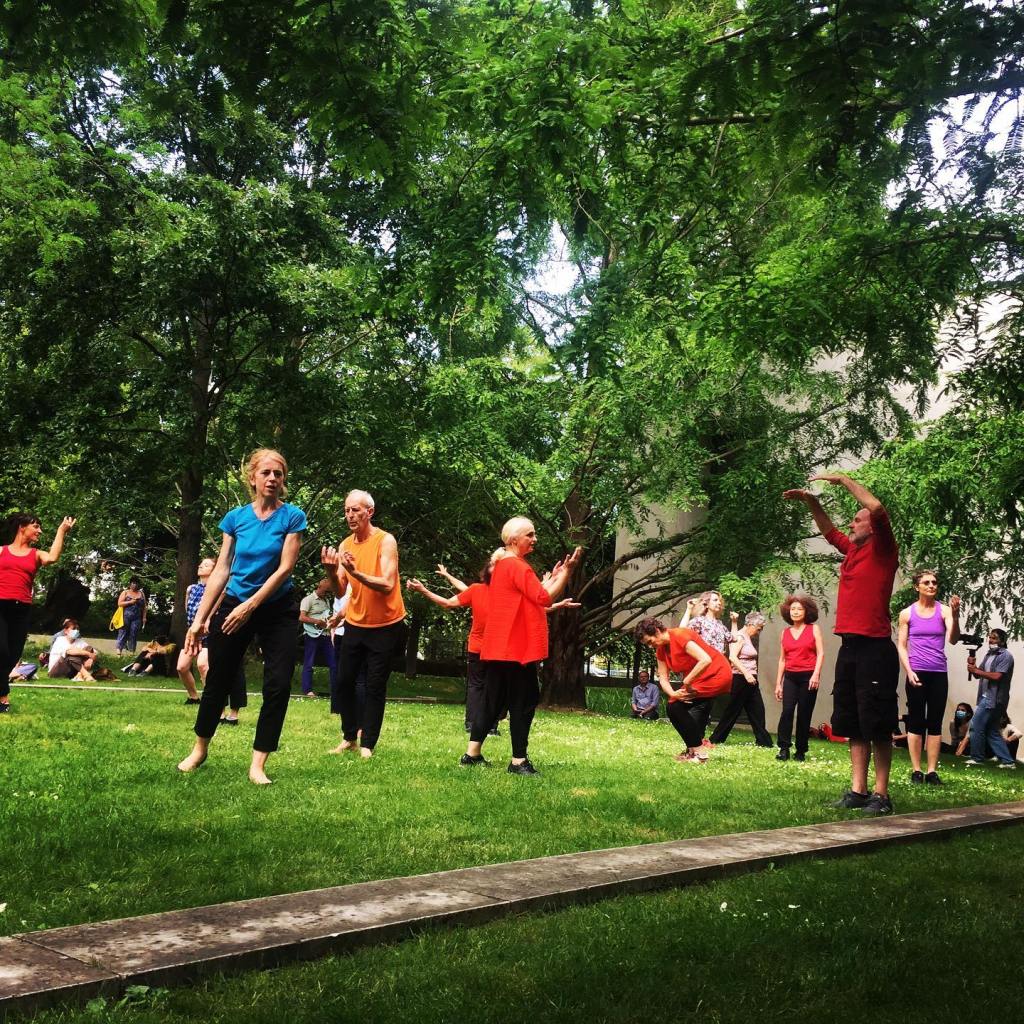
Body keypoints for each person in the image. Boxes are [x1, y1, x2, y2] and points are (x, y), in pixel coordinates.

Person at [177, 448, 306, 785]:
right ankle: (200, 748)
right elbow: (222, 569)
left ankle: (258, 764)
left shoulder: (292, 517)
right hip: (234, 602)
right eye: (266, 473)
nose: (272, 479)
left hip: (277, 608)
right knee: (218, 678)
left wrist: (251, 606)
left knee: (278, 684)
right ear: (252, 478)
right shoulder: (235, 518)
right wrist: (199, 620)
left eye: (278, 474)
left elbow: (285, 568)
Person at [784, 473, 899, 815]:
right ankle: (858, 791)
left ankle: (881, 795)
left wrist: (844, 480)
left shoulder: (884, 550)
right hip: (849, 648)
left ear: (873, 528)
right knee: (852, 721)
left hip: (875, 648)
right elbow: (829, 532)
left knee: (878, 723)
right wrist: (812, 502)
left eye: (857, 520)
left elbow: (876, 507)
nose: (851, 523)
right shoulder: (852, 551)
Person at [460, 517, 581, 774]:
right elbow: (544, 597)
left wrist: (554, 577)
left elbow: (530, 596)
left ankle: (472, 754)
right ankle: (518, 761)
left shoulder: (503, 565)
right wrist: (567, 573)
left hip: (499, 646)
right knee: (524, 701)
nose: (535, 539)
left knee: (492, 700)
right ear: (514, 540)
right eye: (530, 534)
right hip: (516, 648)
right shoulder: (517, 566)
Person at [321, 490, 407, 760]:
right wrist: (330, 570)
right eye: (347, 510)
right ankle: (349, 738)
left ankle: (367, 743)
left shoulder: (385, 541)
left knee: (374, 685)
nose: (350, 515)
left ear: (370, 512)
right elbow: (340, 590)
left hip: (386, 624)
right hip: (356, 622)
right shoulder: (346, 544)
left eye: (355, 510)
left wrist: (355, 572)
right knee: (344, 681)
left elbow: (387, 584)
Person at [407, 552, 501, 736]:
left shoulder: (476, 590)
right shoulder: (503, 594)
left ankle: (472, 724)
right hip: (495, 649)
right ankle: (490, 726)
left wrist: (425, 589)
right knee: (493, 686)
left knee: (476, 686)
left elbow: (450, 601)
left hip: (480, 648)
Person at [0, 513, 75, 712]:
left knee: (13, 655)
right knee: (2, 650)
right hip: (0, 606)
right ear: (22, 527)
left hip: (22, 609)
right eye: (36, 526)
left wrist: (61, 530)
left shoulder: (36, 554)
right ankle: (2, 695)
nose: (39, 531)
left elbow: (53, 557)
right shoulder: (1, 551)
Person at [634, 617, 733, 763]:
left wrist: (687, 681)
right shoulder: (660, 651)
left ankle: (699, 753)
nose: (650, 646)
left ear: (656, 631)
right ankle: (693, 750)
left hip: (717, 673)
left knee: (676, 706)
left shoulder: (680, 635)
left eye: (649, 641)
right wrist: (673, 693)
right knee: (674, 706)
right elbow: (663, 677)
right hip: (698, 679)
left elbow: (705, 659)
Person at [896, 569, 961, 785]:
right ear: (917, 587)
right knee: (916, 721)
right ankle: (916, 770)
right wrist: (909, 671)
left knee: (934, 722)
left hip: (938, 673)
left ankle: (932, 771)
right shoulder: (907, 613)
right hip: (916, 672)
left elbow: (953, 639)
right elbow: (902, 646)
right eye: (926, 582)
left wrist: (956, 616)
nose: (932, 585)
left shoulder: (945, 611)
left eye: (934, 582)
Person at [774, 595, 826, 762]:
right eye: (793, 609)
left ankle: (801, 750)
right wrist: (778, 684)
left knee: (804, 714)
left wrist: (816, 674)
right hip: (790, 677)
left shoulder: (814, 629)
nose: (795, 612)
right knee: (787, 712)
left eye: (799, 609)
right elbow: (782, 660)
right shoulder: (785, 633)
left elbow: (821, 654)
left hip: (808, 677)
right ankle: (783, 748)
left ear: (806, 612)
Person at [709, 611, 773, 746]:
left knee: (757, 710)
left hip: (751, 679)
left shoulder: (746, 636)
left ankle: (764, 741)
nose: (759, 632)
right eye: (759, 628)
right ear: (751, 624)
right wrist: (747, 674)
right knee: (733, 711)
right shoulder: (740, 637)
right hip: (741, 678)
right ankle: (715, 739)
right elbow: (732, 657)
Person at [966, 628, 1016, 769]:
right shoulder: (989, 655)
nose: (990, 640)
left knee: (976, 725)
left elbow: (997, 676)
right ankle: (1008, 761)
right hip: (986, 696)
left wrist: (976, 670)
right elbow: (978, 674)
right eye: (990, 637)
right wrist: (973, 666)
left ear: (1002, 641)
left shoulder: (1006, 656)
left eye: (994, 638)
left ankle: (977, 758)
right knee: (992, 730)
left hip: (995, 698)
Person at [176, 557, 216, 704]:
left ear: (214, 570)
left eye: (206, 565)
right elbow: (189, 612)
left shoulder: (217, 589)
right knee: (181, 667)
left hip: (209, 632)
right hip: (193, 633)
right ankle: (193, 697)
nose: (200, 566)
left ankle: (210, 702)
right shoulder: (191, 589)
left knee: (203, 665)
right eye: (201, 564)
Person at [299, 578, 335, 698]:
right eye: (326, 591)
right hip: (311, 635)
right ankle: (307, 690)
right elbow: (301, 617)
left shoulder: (327, 600)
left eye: (329, 592)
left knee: (334, 663)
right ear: (319, 587)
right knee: (309, 662)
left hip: (325, 635)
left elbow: (326, 616)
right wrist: (317, 621)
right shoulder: (308, 599)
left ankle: (335, 690)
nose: (327, 594)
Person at [679, 591, 731, 655]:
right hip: (705, 658)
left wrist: (734, 622)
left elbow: (734, 639)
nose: (719, 603)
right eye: (715, 600)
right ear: (707, 604)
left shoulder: (720, 624)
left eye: (719, 601)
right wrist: (689, 609)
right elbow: (682, 631)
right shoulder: (700, 621)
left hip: (719, 659)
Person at [115, 577, 147, 656]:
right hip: (125, 616)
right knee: (123, 632)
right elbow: (120, 603)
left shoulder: (141, 593)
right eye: (133, 583)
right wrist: (131, 602)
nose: (135, 585)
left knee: (134, 633)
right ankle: (119, 650)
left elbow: (145, 607)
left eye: (136, 583)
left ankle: (132, 652)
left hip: (137, 618)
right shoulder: (125, 592)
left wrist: (144, 617)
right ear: (130, 584)